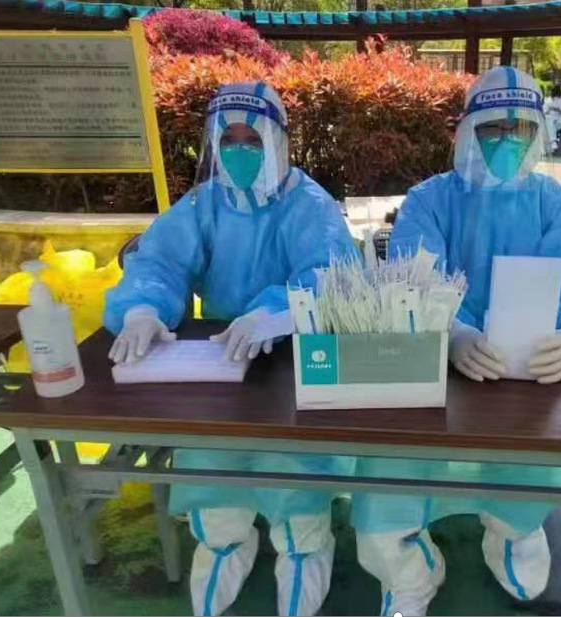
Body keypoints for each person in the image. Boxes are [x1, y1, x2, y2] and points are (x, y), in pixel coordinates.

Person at [352, 66, 561, 616]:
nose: (505, 140)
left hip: (528, 374)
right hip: (435, 373)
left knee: (525, 457)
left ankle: (514, 531)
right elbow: (410, 278)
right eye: (492, 127)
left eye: (520, 129)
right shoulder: (429, 200)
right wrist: (452, 331)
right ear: (466, 130)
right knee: (393, 466)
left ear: (538, 133)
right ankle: (406, 570)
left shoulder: (554, 203)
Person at [104, 81, 357, 617]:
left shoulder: (310, 205)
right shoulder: (203, 204)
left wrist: (274, 312)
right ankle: (223, 541)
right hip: (219, 360)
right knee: (215, 462)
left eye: (253, 139)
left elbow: (330, 272)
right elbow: (160, 261)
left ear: (278, 140)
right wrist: (144, 309)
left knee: (294, 469)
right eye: (230, 140)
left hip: (295, 360)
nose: (241, 151)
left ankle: (306, 545)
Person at [543, 84, 561, 153]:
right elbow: (544, 112)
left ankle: (552, 143)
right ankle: (553, 142)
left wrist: (558, 110)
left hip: (560, 120)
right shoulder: (548, 100)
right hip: (549, 119)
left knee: (550, 124)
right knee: (549, 122)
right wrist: (549, 110)